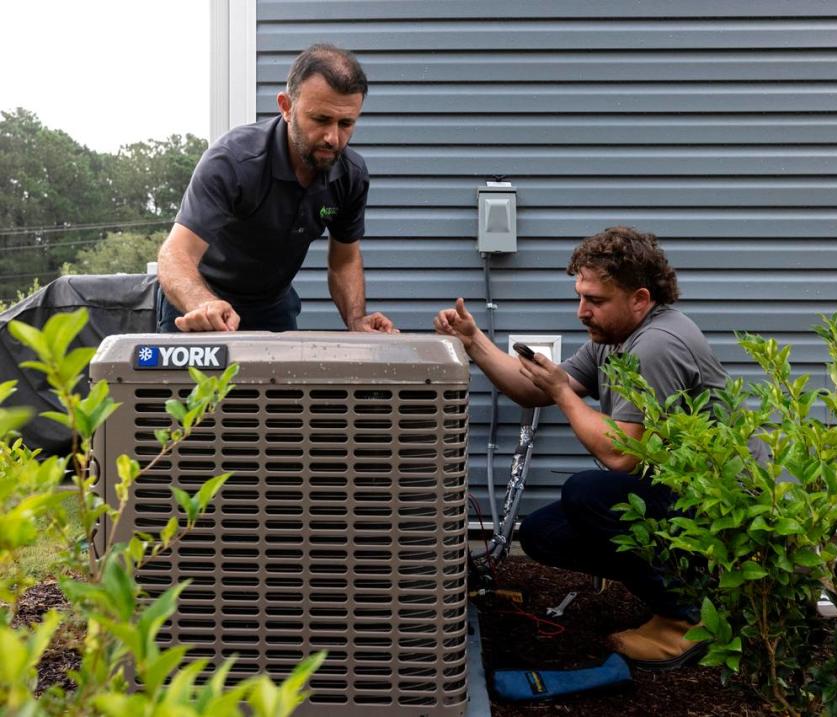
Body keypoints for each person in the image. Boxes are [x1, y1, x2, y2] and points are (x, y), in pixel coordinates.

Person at [434, 226, 765, 669]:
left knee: (588, 493)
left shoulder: (655, 346)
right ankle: (688, 588)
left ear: (640, 298)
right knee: (542, 534)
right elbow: (534, 390)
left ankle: (688, 620)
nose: (581, 312)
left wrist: (564, 395)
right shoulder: (615, 340)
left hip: (727, 505)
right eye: (581, 297)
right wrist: (474, 342)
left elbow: (622, 455)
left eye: (595, 301)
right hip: (683, 493)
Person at [156, 43, 394, 333]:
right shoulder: (233, 161)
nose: (333, 137)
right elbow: (175, 253)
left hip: (272, 304)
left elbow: (344, 260)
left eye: (346, 123)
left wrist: (356, 319)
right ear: (286, 107)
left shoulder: (350, 175)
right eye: (321, 120)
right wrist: (202, 303)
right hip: (202, 297)